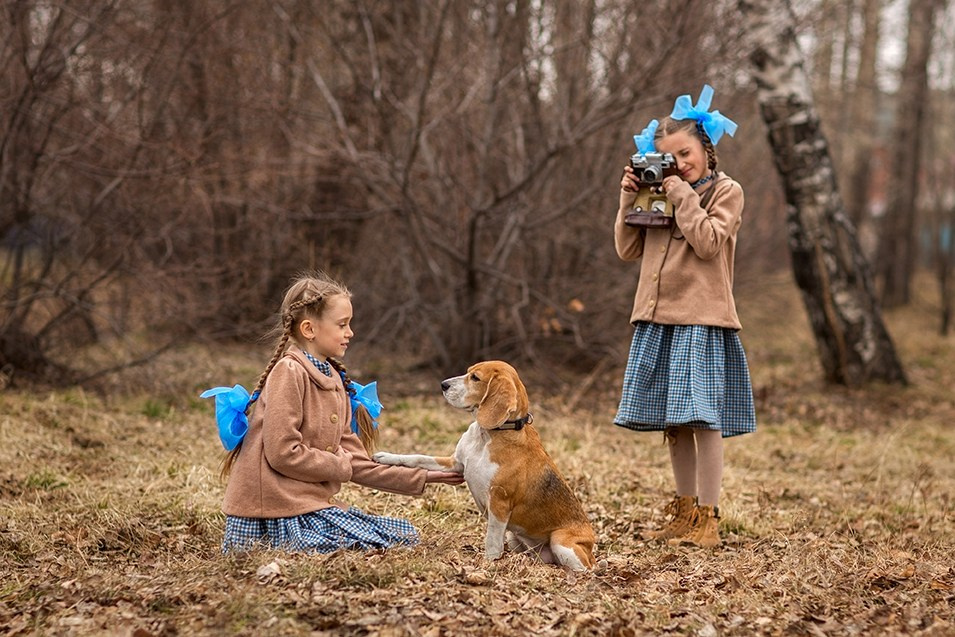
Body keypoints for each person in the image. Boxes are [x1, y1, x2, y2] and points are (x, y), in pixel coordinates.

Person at [212, 271, 464, 553]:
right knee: (369, 545)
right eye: (342, 324)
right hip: (273, 512)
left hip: (305, 505)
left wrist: (423, 476)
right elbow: (282, 453)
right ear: (309, 330)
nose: (350, 333)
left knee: (404, 535)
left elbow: (354, 461)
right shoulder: (289, 372)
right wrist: (338, 465)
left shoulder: (335, 381)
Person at [613, 85, 756, 548]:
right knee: (674, 422)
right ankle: (684, 509)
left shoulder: (726, 192)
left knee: (703, 418)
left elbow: (709, 242)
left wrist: (682, 195)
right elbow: (627, 248)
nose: (678, 163)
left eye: (685, 153)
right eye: (668, 157)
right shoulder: (659, 192)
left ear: (705, 148)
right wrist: (628, 201)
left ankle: (709, 519)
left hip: (702, 319)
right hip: (658, 319)